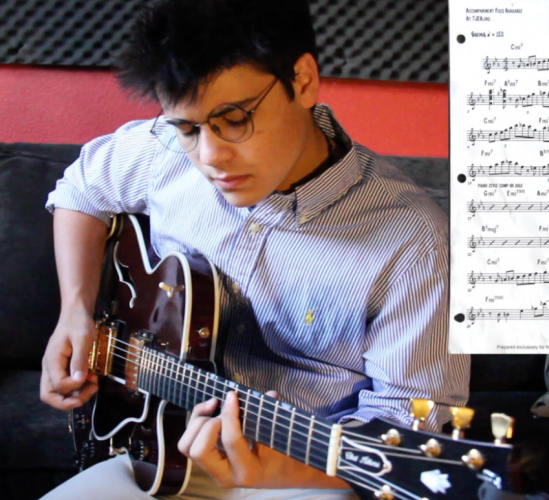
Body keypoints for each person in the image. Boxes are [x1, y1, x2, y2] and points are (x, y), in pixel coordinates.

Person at [39, 0, 469, 498]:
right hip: (145, 453)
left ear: (303, 80)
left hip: (302, 474)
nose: (210, 157)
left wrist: (286, 470)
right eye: (187, 129)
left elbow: (412, 430)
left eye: (235, 119)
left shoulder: (414, 241)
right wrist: (74, 311)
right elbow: (80, 189)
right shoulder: (160, 153)